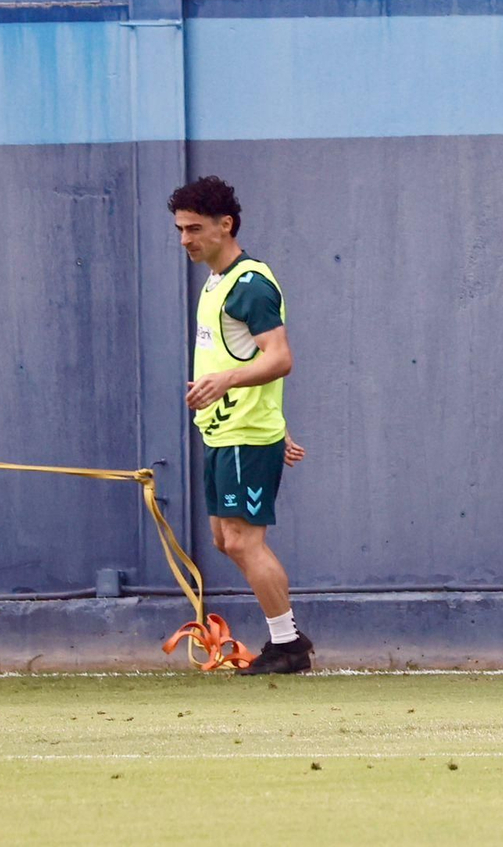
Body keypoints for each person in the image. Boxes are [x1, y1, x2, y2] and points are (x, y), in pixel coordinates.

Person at [170, 176, 311, 675]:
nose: (185, 239)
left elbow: (280, 358)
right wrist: (277, 421)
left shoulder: (250, 286)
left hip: (244, 436)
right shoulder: (215, 279)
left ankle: (289, 645)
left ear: (225, 225)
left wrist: (230, 385)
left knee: (245, 540)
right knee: (225, 540)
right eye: (180, 230)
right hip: (225, 432)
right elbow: (249, 357)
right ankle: (286, 638)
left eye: (194, 229)